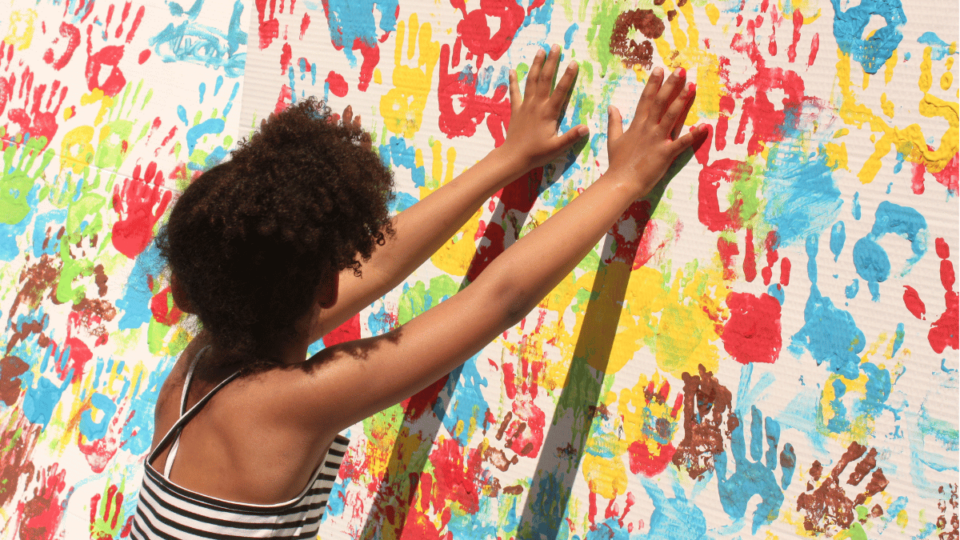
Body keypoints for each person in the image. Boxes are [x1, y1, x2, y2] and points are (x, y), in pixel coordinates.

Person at [131, 45, 705, 538]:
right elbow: (496, 299)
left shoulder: (200, 361)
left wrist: (507, 160)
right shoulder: (293, 405)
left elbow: (375, 266)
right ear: (331, 282)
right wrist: (625, 180)